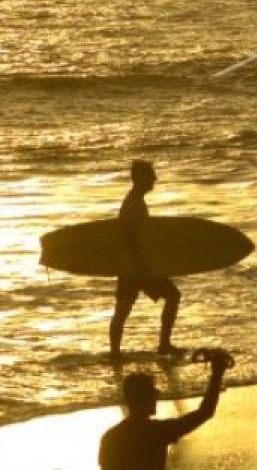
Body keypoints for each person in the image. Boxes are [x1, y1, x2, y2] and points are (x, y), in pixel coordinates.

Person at [99, 349, 234, 470]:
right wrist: (217, 374)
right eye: (152, 392)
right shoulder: (158, 431)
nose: (157, 395)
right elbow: (205, 412)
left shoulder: (111, 437)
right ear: (143, 398)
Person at [110, 160, 182, 359]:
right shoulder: (134, 205)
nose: (154, 178)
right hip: (138, 267)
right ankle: (163, 345)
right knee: (172, 296)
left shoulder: (135, 201)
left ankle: (115, 353)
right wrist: (143, 268)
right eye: (151, 174)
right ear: (140, 178)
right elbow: (131, 241)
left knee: (122, 310)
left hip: (132, 267)